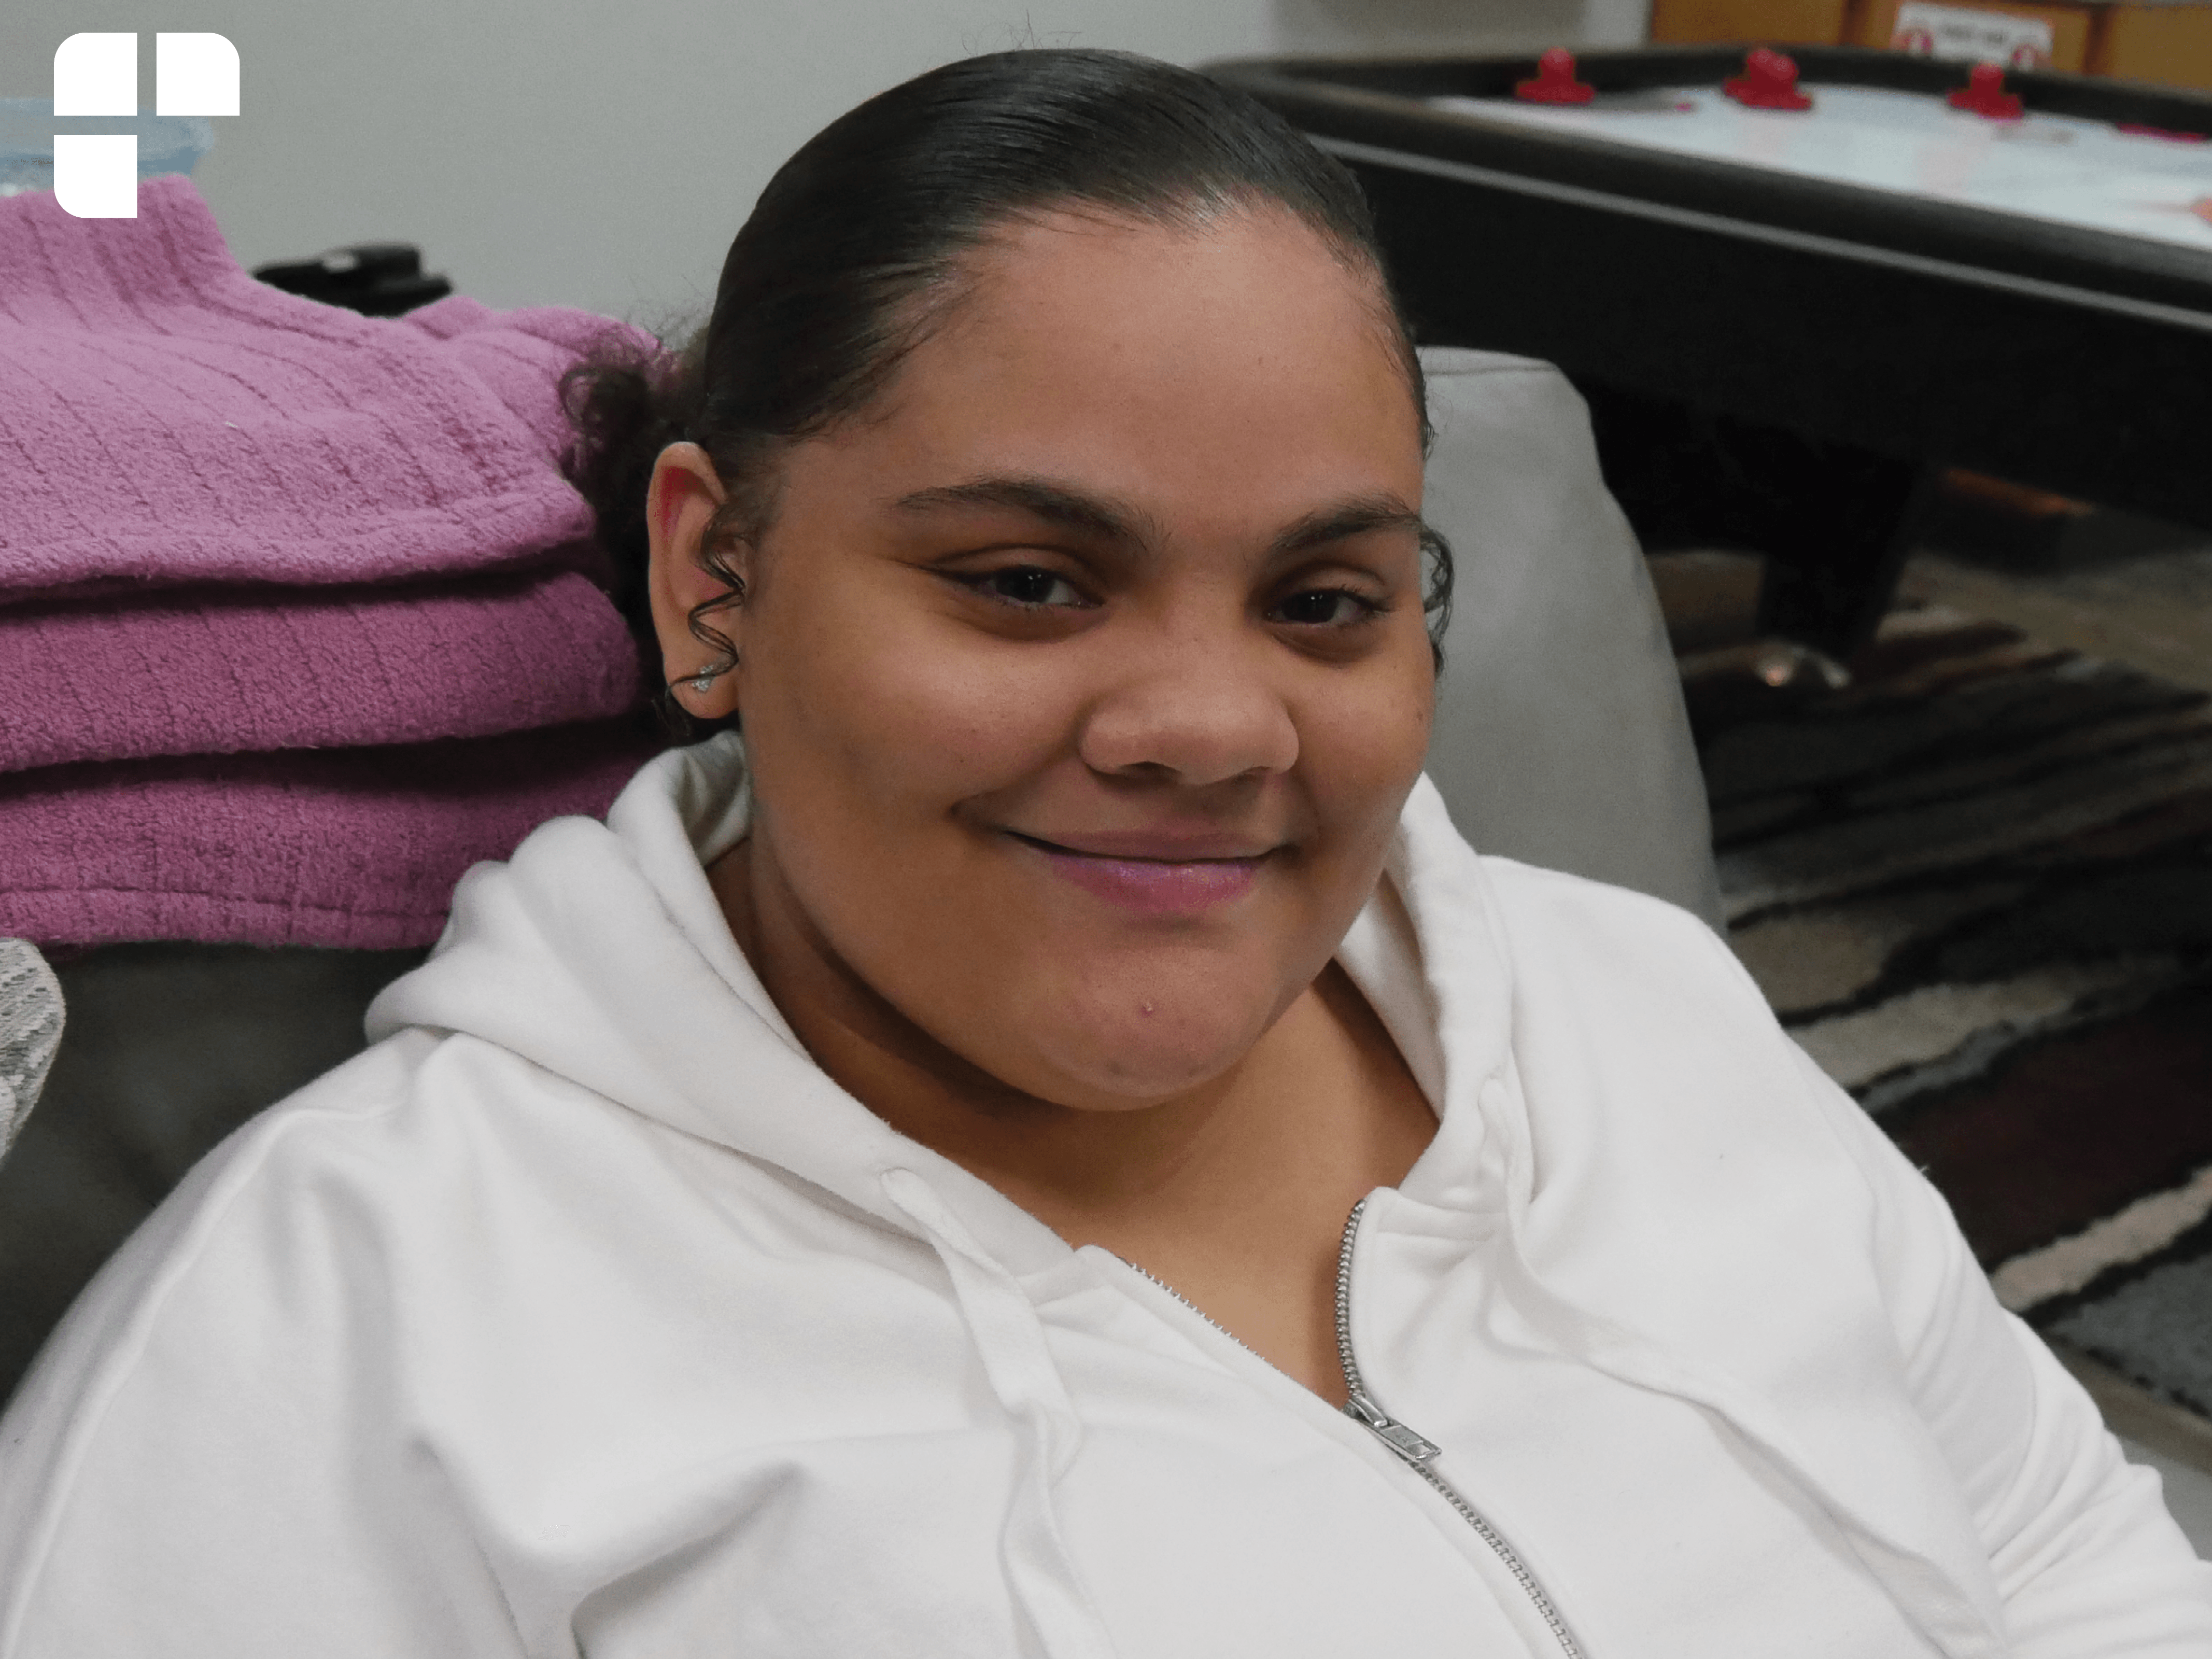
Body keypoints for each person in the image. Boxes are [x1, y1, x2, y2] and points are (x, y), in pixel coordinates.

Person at [0, 47, 2206, 1659]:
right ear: (712, 580)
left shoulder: (1631, 1012)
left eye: (1323, 602)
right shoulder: (354, 1327)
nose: (1209, 729)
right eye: (1029, 582)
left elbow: (2069, 1561)